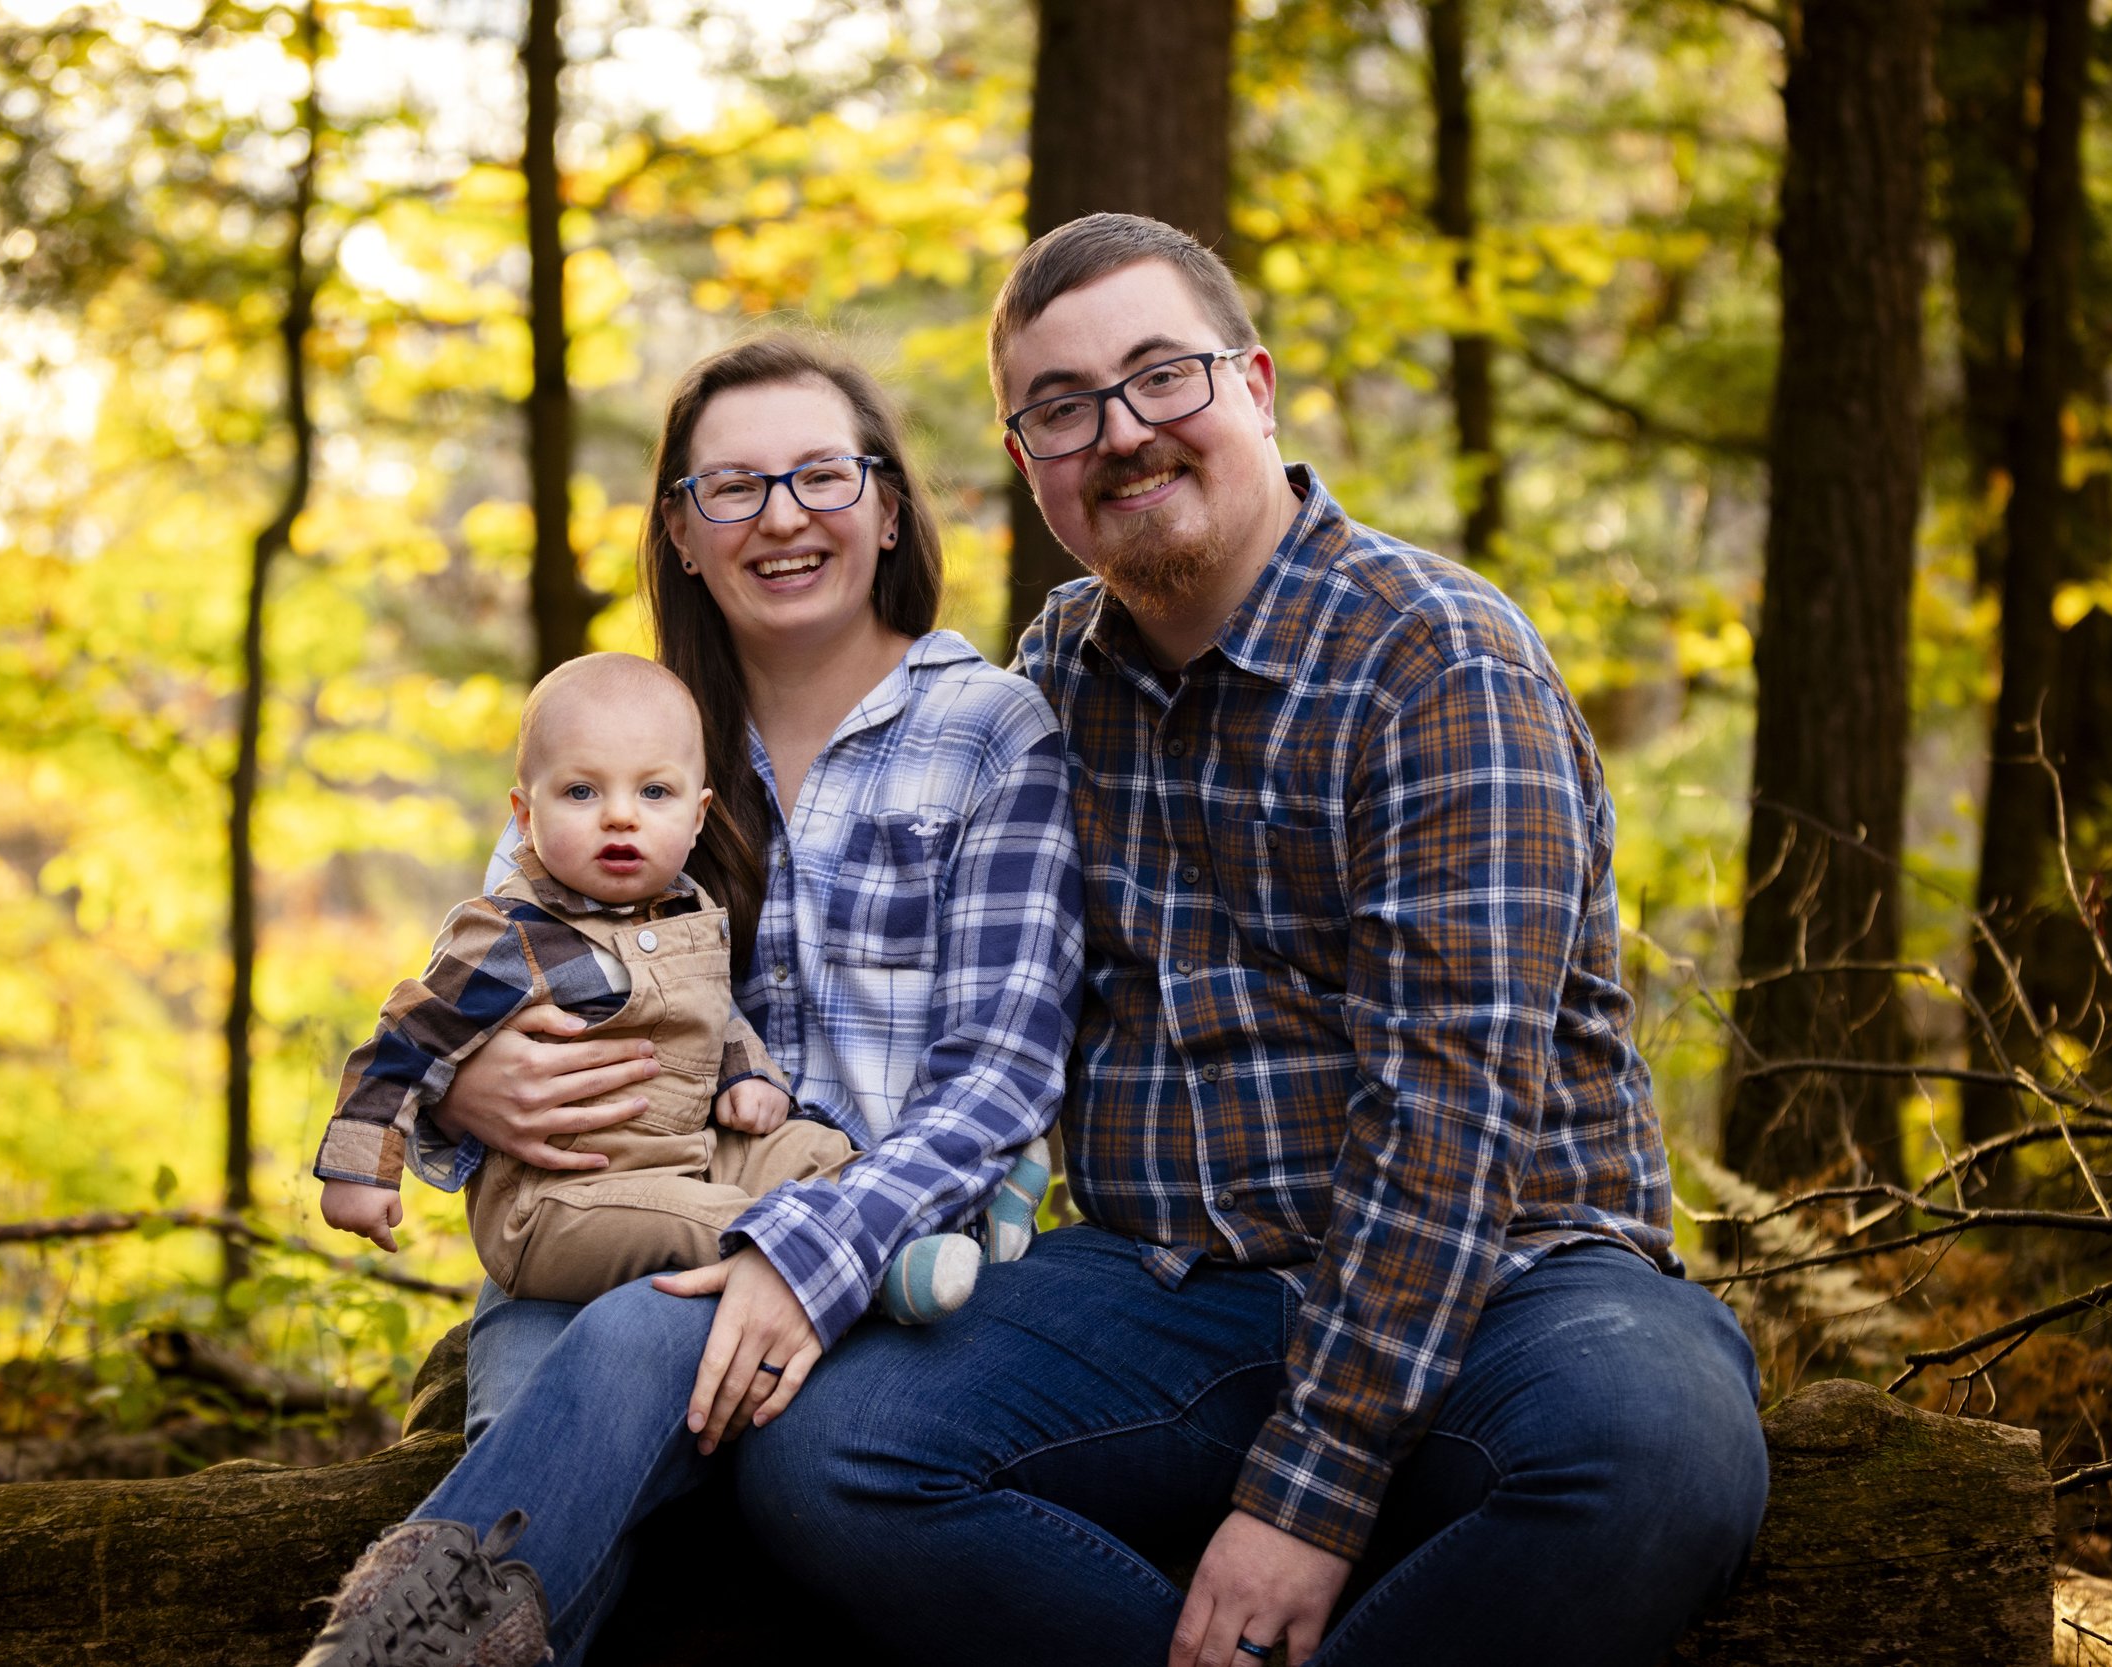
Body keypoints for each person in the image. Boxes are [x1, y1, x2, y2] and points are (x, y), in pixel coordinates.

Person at [734, 213, 1771, 1666]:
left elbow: (1451, 1117)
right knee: (825, 1451)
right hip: (1172, 1290)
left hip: (1507, 1284)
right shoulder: (1053, 676)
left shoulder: (1438, 662)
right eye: (1064, 406)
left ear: (1259, 386)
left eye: (1165, 375)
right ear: (1028, 459)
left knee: (1659, 1450)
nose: (1124, 432)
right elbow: (912, 979)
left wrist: (1309, 1497)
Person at [294, 334, 1082, 1667]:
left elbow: (1003, 1074)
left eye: (821, 476)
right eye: (732, 487)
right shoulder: (624, 734)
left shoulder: (994, 735)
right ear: (682, 528)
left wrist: (810, 1241)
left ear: (889, 507)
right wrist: (462, 1086)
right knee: (563, 1434)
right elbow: (469, 971)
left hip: (874, 1259)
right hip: (596, 1221)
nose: (781, 516)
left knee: (609, 1386)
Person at [312, 650, 991, 1321]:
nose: (619, 815)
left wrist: (746, 1074)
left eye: (653, 792)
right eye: (582, 792)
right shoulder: (510, 933)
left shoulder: (686, 911)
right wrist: (360, 1169)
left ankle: (945, 1218)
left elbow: (710, 1013)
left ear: (696, 817)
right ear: (525, 814)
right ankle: (879, 1277)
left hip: (689, 1157)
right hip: (564, 1206)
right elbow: (405, 1039)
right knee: (710, 1221)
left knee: (811, 1150)